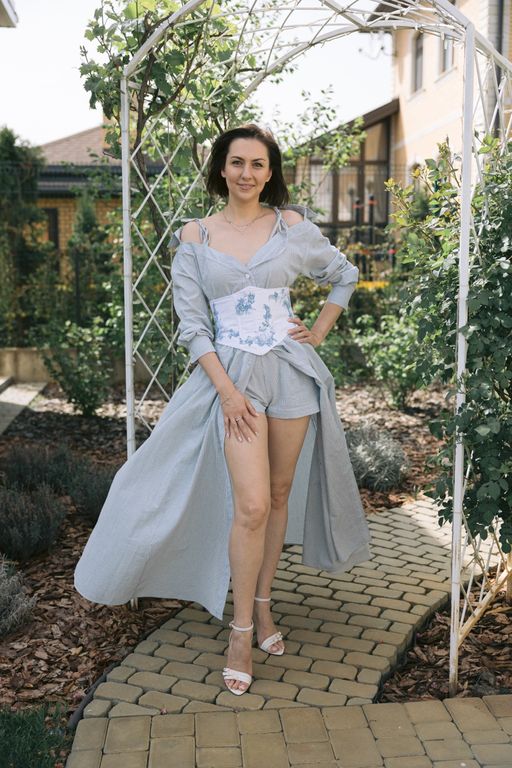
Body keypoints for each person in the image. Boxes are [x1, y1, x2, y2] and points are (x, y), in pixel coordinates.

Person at [74, 123, 371, 697]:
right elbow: (192, 326)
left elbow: (344, 275)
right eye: (237, 162)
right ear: (221, 168)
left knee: (278, 495)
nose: (247, 173)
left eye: (258, 164)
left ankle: (263, 605)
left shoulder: (291, 226)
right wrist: (228, 393)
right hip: (233, 380)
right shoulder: (196, 236)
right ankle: (240, 631)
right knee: (252, 505)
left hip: (291, 374)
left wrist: (317, 332)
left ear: (270, 171)